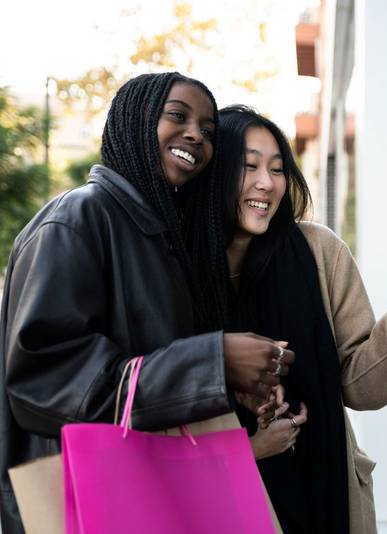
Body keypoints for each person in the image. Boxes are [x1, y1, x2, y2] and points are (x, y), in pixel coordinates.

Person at [0, 73, 291, 534]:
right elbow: (43, 382)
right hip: (82, 502)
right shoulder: (77, 219)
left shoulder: (156, 235)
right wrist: (212, 361)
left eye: (209, 131)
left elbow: (145, 359)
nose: (195, 134)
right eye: (177, 116)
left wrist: (223, 383)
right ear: (135, 121)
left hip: (145, 499)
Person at [213, 105, 387, 534]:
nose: (267, 182)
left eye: (277, 169)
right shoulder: (177, 267)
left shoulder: (319, 251)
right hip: (224, 494)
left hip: (322, 486)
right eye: (249, 166)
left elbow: (354, 381)